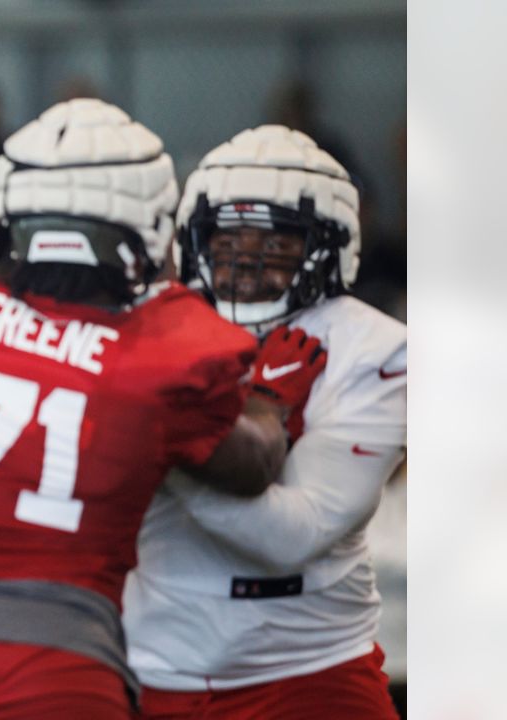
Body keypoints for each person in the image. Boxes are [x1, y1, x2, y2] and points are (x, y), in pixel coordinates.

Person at [0, 99, 327, 719]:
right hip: (57, 666)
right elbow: (252, 469)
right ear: (148, 225)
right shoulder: (166, 351)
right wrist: (271, 402)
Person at [123, 125, 407, 718]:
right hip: (156, 667)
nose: (246, 265)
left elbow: (291, 538)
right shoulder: (148, 327)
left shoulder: (375, 346)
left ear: (330, 247)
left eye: (275, 243)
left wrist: (163, 439)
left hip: (310, 675)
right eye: (228, 242)